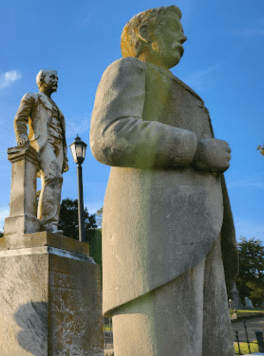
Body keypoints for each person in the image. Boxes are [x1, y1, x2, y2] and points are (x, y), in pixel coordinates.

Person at [90, 6, 238, 355]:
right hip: (158, 243)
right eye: (173, 28)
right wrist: (197, 149)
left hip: (202, 238)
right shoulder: (126, 68)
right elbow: (110, 135)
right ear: (145, 35)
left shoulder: (178, 87)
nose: (183, 37)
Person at [14, 70, 68, 233]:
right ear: (41, 79)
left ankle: (50, 223)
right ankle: (48, 223)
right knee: (54, 177)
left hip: (58, 146)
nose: (56, 80)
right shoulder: (32, 97)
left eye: (57, 78)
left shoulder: (57, 108)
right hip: (42, 143)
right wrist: (22, 136)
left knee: (55, 181)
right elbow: (20, 118)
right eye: (52, 77)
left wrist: (64, 155)